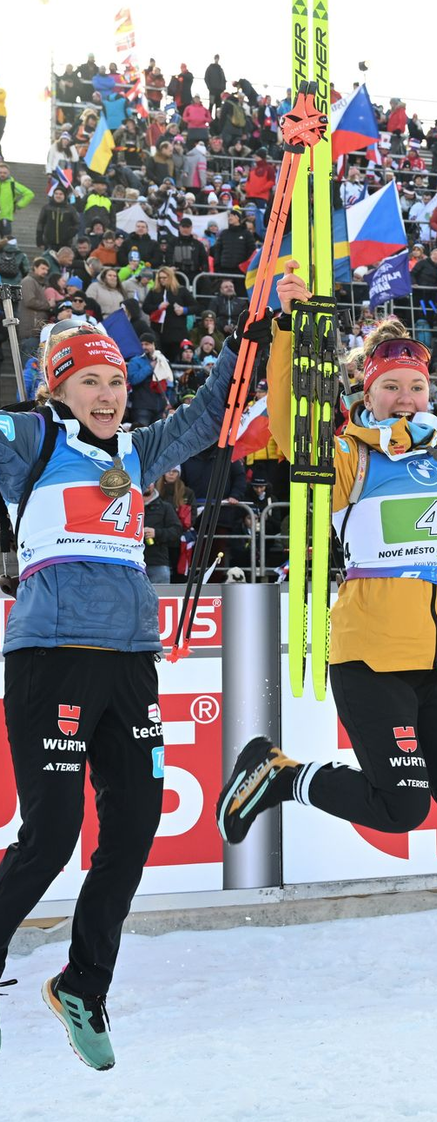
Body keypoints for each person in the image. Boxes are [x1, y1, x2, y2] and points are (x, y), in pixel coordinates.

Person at [216, 261, 437, 869]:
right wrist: (289, 330)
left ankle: (390, 762)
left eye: (415, 387)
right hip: (372, 659)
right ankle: (279, 774)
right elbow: (296, 429)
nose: (405, 398)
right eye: (391, 387)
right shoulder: (349, 456)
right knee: (403, 810)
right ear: (366, 393)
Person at [0, 316, 247, 1069]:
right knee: (52, 833)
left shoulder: (137, 452)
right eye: (88, 381)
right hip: (52, 655)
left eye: (113, 381)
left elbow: (212, 413)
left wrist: (253, 335)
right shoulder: (31, 443)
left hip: (132, 660)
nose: (106, 395)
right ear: (56, 387)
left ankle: (82, 982)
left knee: (134, 826)